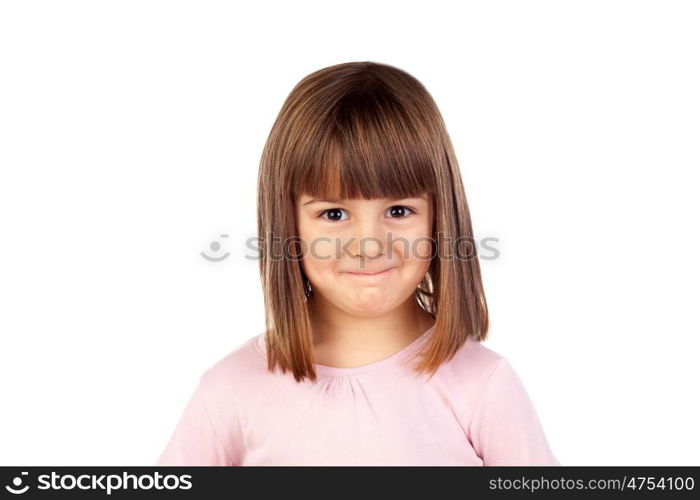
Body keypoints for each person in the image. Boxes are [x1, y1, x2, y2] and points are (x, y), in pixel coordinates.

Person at [155, 61, 560, 466]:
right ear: (289, 222)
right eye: (334, 215)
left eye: (399, 211)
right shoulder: (229, 391)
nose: (368, 246)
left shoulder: (483, 386)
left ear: (440, 218)